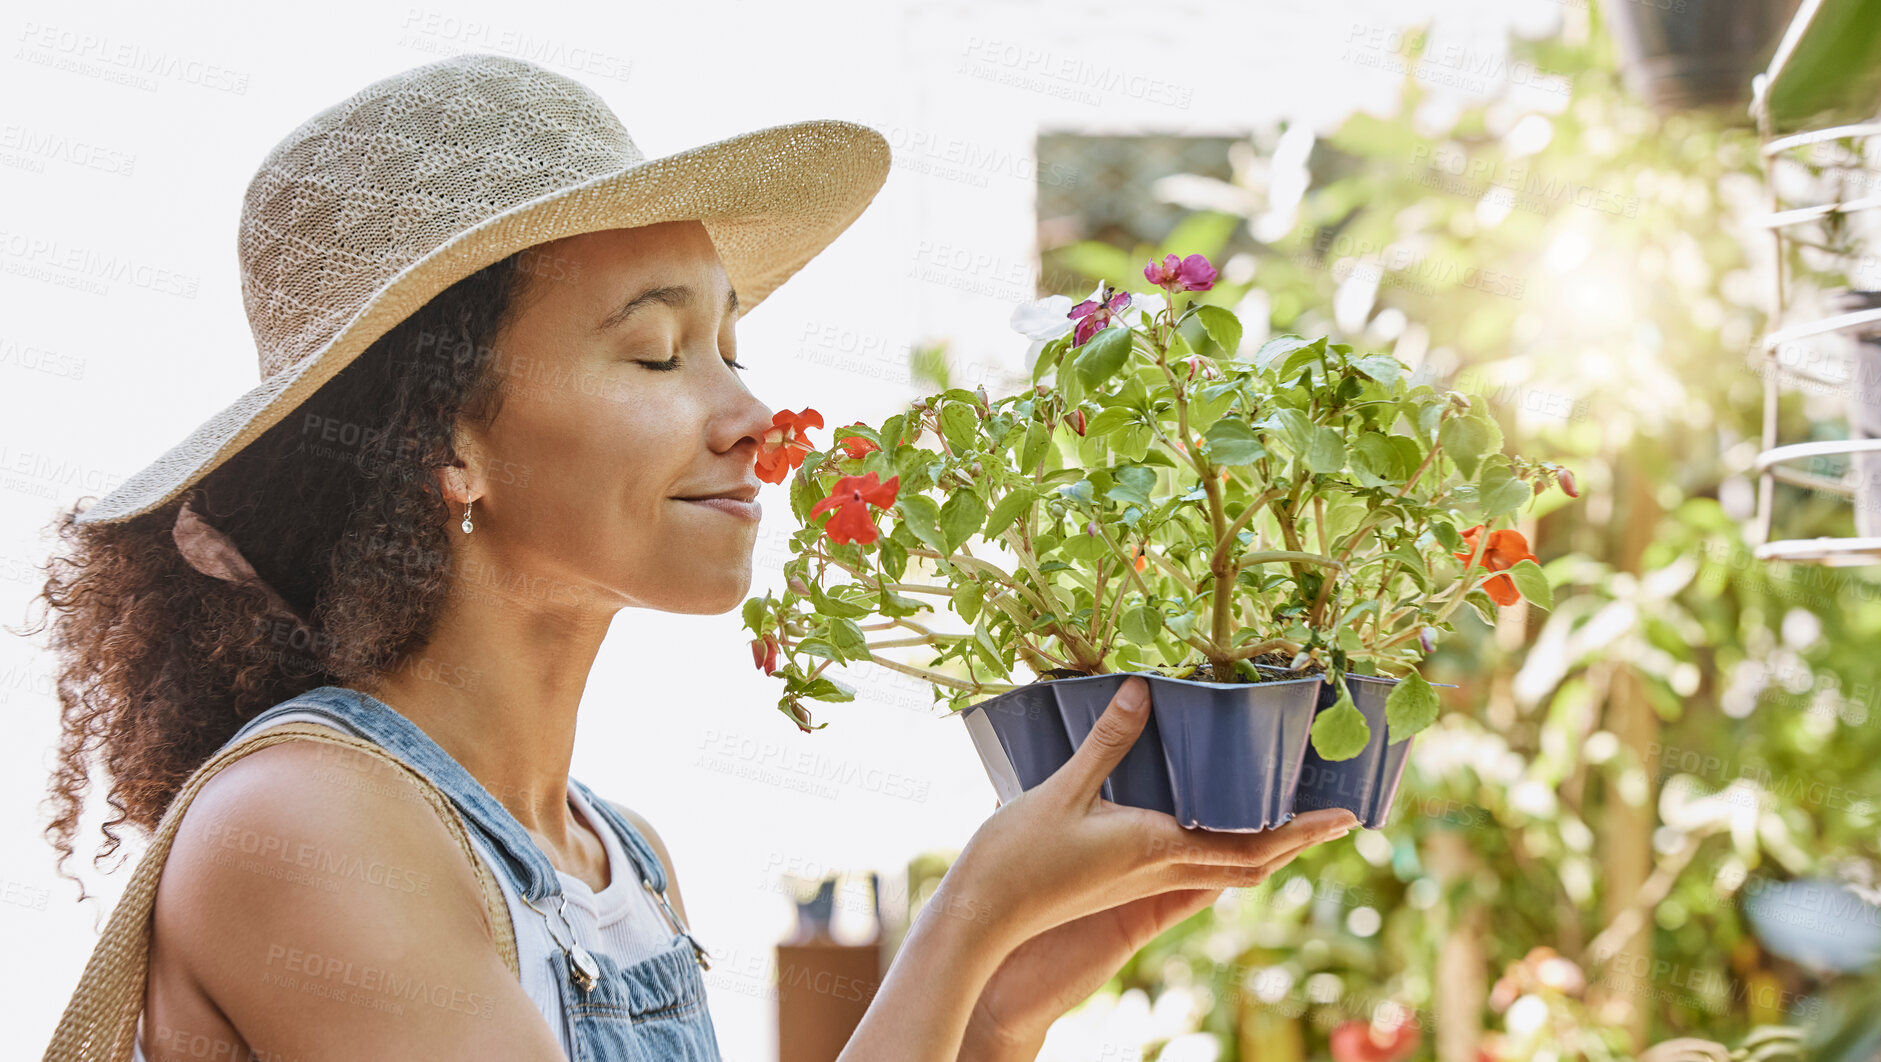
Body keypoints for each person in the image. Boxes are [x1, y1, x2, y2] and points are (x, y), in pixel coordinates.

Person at [27, 53, 1358, 1062]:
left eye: (734, 344)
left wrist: (1000, 995)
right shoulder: (305, 827)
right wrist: (958, 927)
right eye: (660, 353)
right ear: (446, 444)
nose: (751, 418)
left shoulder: (618, 856)